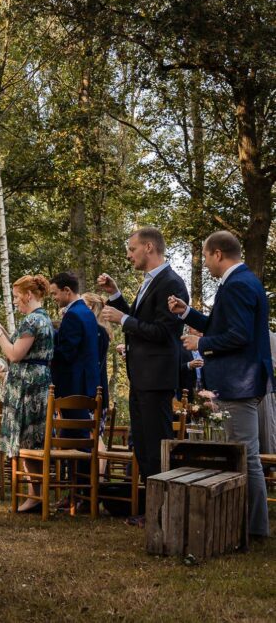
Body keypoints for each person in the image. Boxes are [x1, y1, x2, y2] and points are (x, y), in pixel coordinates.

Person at [168, 231, 273, 539]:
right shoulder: (243, 281)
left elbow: (239, 335)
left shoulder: (238, 284)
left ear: (217, 253)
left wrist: (203, 343)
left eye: (204, 256)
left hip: (239, 381)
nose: (204, 263)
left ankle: (254, 527)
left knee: (246, 455)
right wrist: (187, 313)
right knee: (244, 453)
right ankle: (249, 523)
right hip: (242, 379)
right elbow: (222, 326)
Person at [99, 226, 188, 525]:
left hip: (157, 378)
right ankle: (152, 510)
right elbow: (140, 320)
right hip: (142, 377)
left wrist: (123, 319)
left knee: (157, 445)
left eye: (132, 248)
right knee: (143, 446)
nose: (129, 254)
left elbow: (165, 332)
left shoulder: (171, 283)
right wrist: (116, 296)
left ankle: (164, 512)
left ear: (149, 247)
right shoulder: (150, 282)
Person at [0, 275, 54, 513]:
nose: (16, 301)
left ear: (28, 295)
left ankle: (34, 495)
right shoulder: (44, 319)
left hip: (28, 385)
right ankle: (34, 494)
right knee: (33, 439)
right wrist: (6, 332)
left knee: (27, 439)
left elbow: (15, 355)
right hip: (38, 381)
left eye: (17, 296)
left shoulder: (31, 321)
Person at [47, 272, 100, 510]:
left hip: (72, 386)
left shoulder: (74, 315)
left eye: (55, 293)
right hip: (84, 383)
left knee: (76, 442)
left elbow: (66, 352)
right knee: (77, 441)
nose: (55, 298)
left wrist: (46, 349)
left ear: (67, 291)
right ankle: (78, 495)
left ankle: (81, 496)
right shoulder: (86, 313)